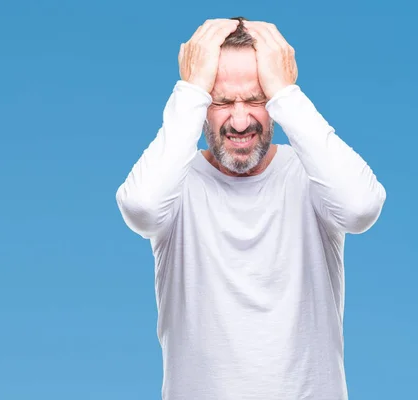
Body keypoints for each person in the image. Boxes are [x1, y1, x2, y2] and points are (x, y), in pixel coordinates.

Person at [115, 17, 386, 400]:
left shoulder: (312, 175)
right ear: (201, 106)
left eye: (257, 99)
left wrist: (287, 92)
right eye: (222, 101)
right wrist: (191, 88)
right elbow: (140, 208)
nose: (240, 121)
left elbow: (361, 208)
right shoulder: (174, 184)